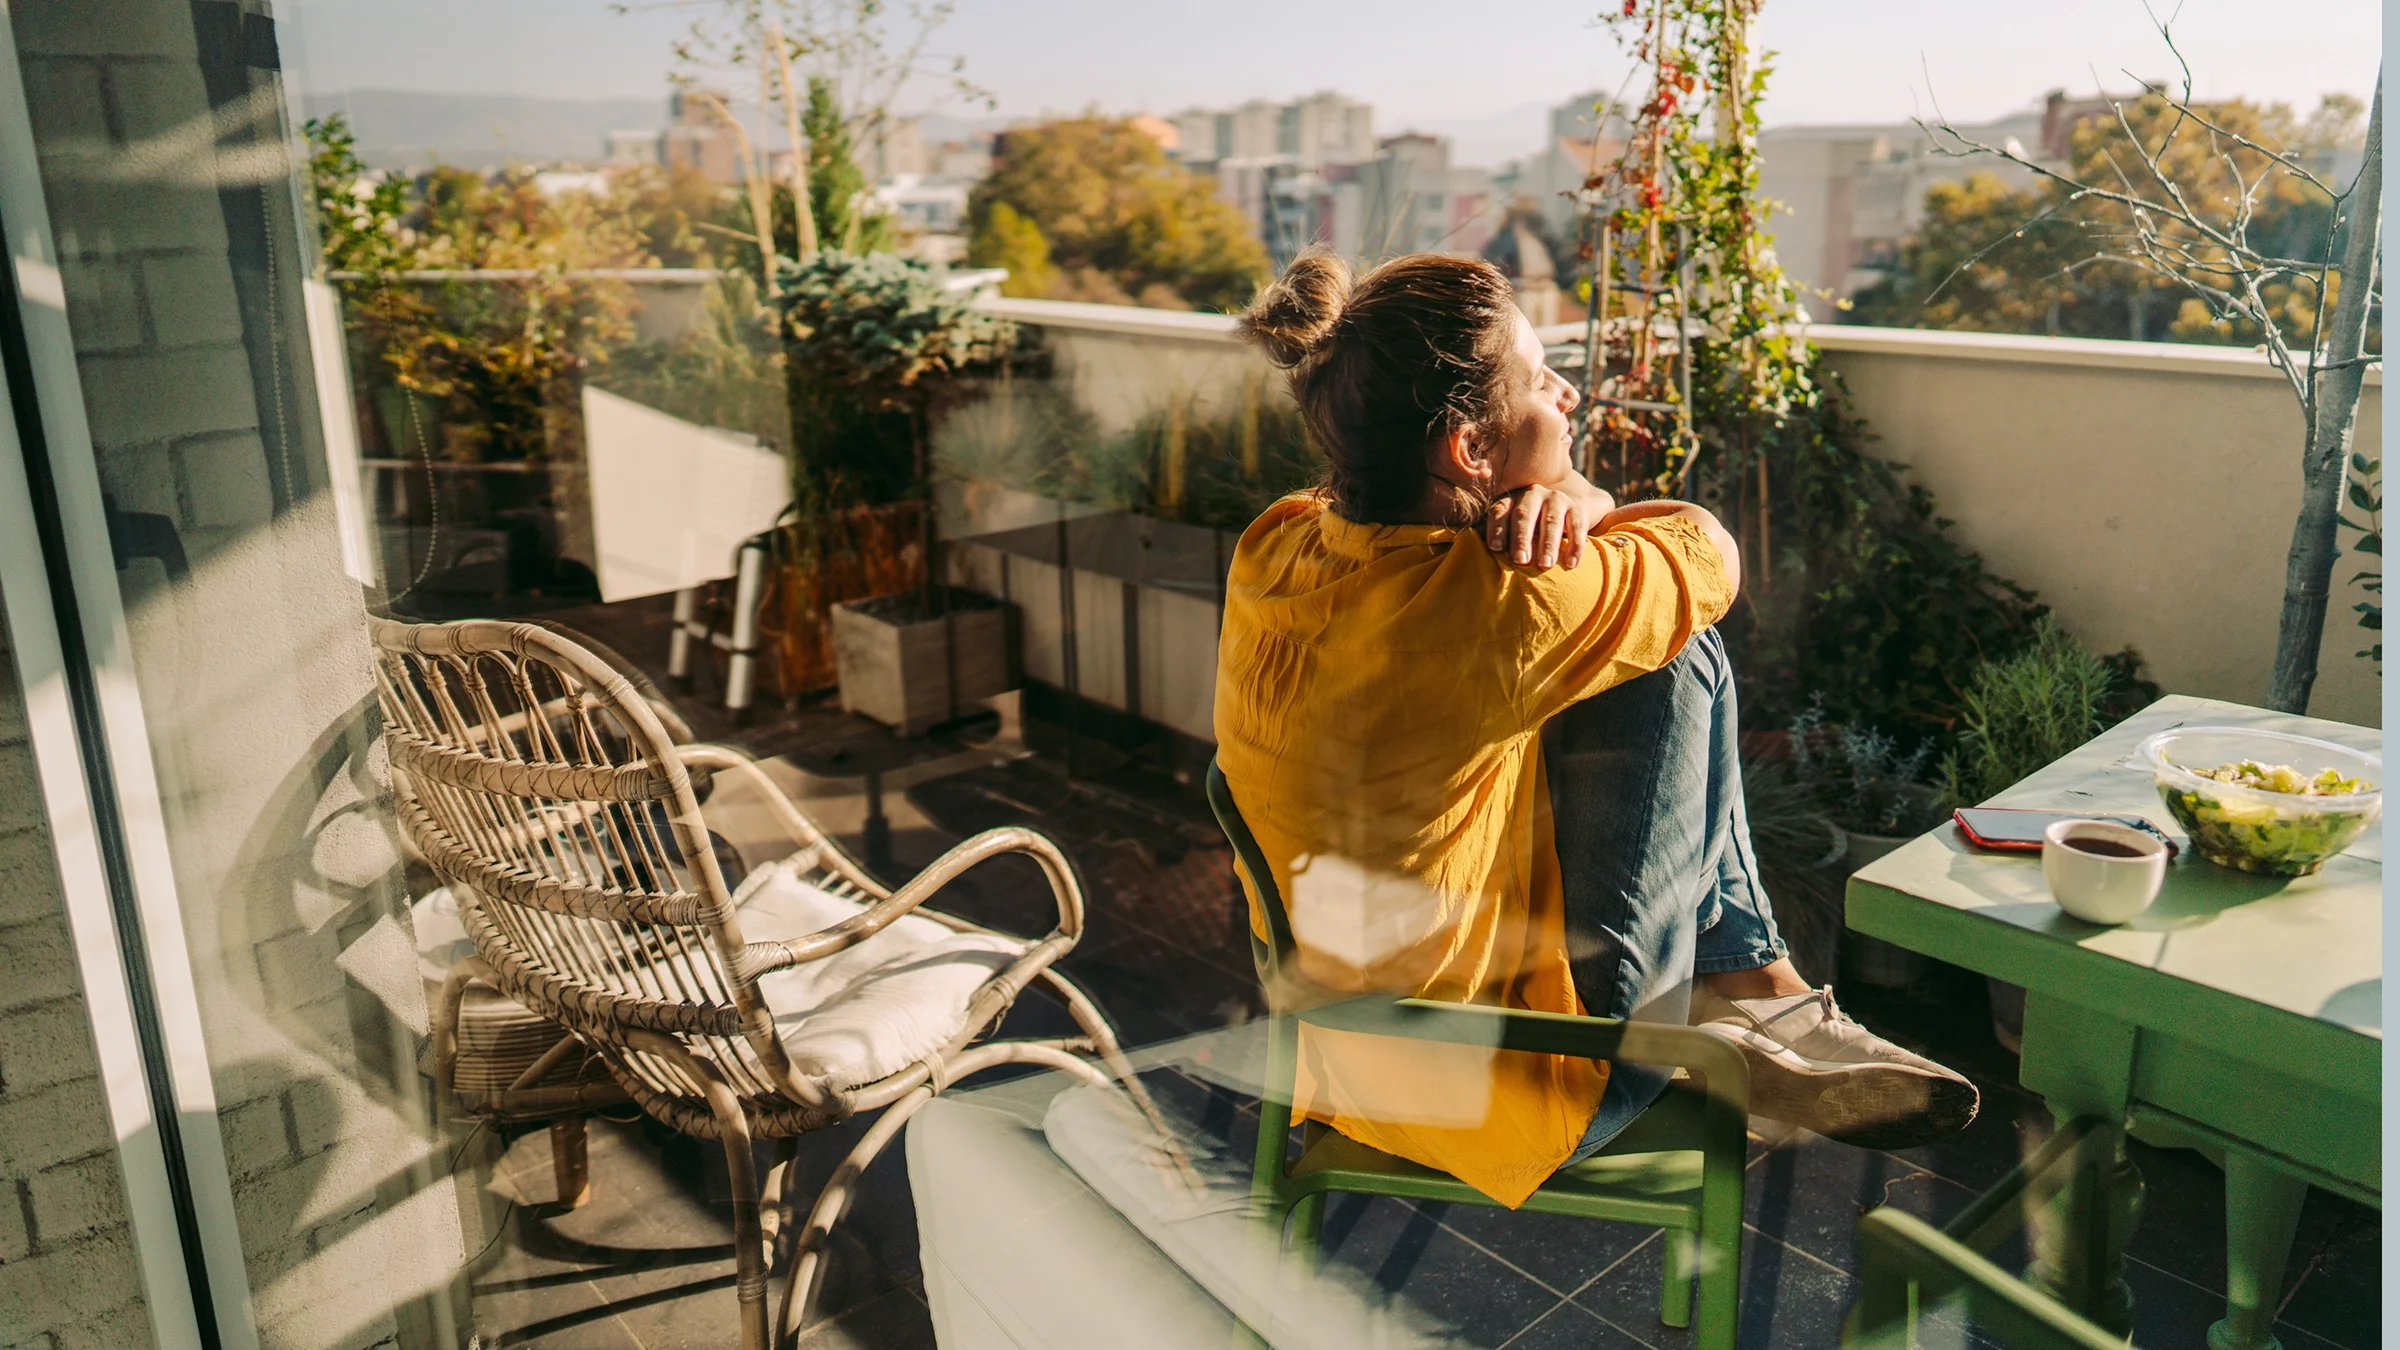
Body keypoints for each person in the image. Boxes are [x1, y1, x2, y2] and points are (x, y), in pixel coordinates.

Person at [1212, 249, 1975, 1208]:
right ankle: (1750, 996)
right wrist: (1581, 501)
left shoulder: (1276, 542)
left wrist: (1567, 498)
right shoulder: (1506, 606)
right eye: (1539, 379)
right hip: (1510, 1083)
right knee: (1677, 652)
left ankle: (1753, 998)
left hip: (1332, 1057)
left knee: (1615, 654)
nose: (1566, 392)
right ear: (1469, 451)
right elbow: (1710, 557)